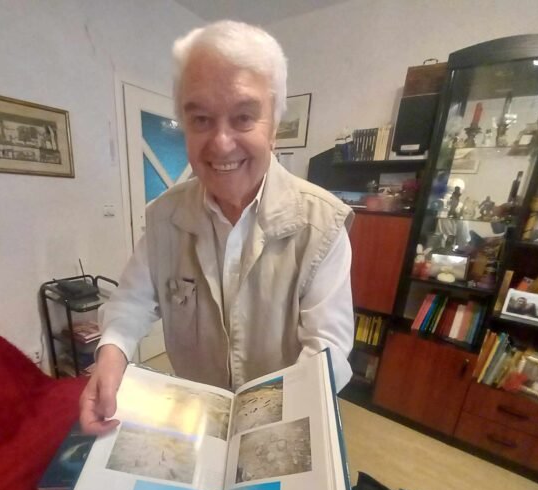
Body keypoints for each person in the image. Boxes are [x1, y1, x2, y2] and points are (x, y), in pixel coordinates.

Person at [79, 21, 354, 436]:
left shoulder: (322, 224)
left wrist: (265, 424)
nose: (221, 143)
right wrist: (111, 356)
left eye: (243, 117)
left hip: (284, 421)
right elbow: (131, 303)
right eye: (201, 119)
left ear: (274, 126)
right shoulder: (164, 217)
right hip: (197, 423)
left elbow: (326, 352)